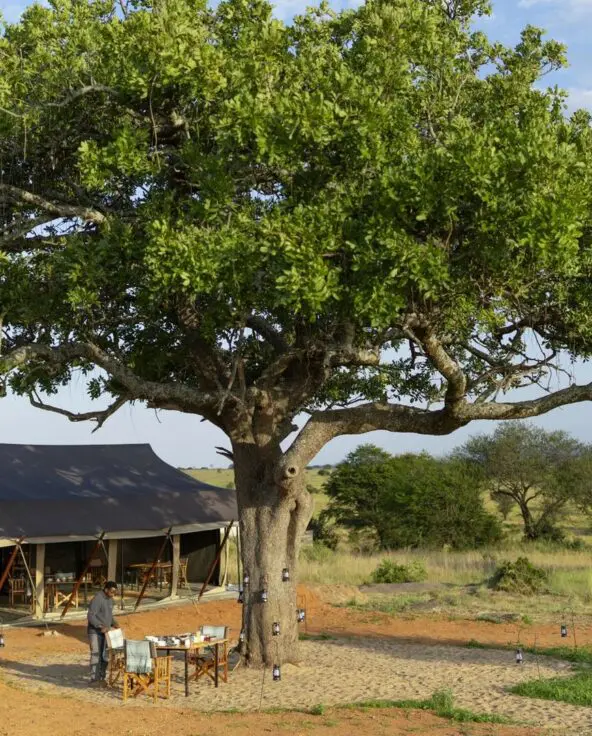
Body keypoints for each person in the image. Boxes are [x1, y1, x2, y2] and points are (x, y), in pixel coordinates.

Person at [87, 580, 119, 685]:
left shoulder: (110, 600)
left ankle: (102, 677)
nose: (113, 594)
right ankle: (94, 679)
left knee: (104, 655)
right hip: (95, 632)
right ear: (106, 589)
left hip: (106, 633)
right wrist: (100, 626)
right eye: (112, 592)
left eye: (115, 592)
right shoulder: (97, 599)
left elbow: (108, 615)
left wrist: (114, 623)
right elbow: (90, 616)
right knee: (96, 654)